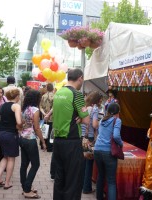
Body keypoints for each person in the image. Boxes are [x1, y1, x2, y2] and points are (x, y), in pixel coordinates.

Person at [52, 68, 90, 200]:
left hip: (58, 141)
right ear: (80, 78)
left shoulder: (58, 92)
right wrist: (81, 117)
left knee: (59, 177)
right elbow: (86, 120)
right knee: (73, 180)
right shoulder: (77, 94)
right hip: (72, 141)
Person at [19, 89, 47, 198]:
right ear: (37, 99)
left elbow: (21, 124)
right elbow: (36, 128)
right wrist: (43, 141)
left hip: (22, 138)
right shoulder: (35, 110)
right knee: (36, 164)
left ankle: (25, 186)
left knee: (24, 164)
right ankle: (27, 189)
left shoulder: (24, 109)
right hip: (30, 140)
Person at [94, 103, 123, 200]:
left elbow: (99, 134)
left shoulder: (102, 120)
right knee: (111, 181)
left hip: (97, 150)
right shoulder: (117, 120)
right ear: (117, 112)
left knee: (101, 176)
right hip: (108, 152)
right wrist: (121, 144)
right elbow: (116, 136)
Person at [0, 88, 22, 189]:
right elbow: (18, 122)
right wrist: (21, 126)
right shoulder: (16, 106)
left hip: (1, 133)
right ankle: (7, 182)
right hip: (11, 134)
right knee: (11, 158)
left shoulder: (2, 105)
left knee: (5, 156)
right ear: (17, 96)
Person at [82, 91, 103, 194]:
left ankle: (82, 185)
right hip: (89, 138)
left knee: (84, 162)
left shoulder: (85, 107)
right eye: (100, 99)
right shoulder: (94, 109)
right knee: (89, 163)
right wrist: (102, 122)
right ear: (97, 100)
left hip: (82, 137)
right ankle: (86, 188)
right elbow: (94, 125)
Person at [39, 83, 54, 152]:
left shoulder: (43, 96)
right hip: (51, 117)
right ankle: (50, 147)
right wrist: (49, 114)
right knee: (51, 131)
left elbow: (40, 106)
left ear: (46, 88)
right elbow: (54, 107)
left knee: (44, 131)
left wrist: (44, 114)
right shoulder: (55, 96)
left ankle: (43, 145)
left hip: (44, 117)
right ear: (53, 88)